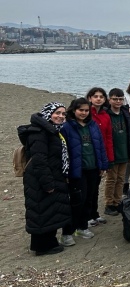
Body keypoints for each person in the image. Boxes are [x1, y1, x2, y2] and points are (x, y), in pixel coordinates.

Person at [22, 102, 72, 255]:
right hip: (40, 178)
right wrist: (48, 183)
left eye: (63, 114)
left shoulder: (51, 130)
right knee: (40, 210)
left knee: (48, 210)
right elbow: (39, 160)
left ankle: (47, 243)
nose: (61, 116)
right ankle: (42, 246)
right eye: (57, 113)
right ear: (47, 113)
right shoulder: (39, 132)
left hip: (51, 175)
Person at [62, 98, 109, 239]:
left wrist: (103, 165)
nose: (83, 113)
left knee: (89, 198)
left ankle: (82, 226)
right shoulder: (67, 127)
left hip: (93, 168)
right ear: (73, 110)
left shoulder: (93, 125)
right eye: (80, 110)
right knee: (77, 201)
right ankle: (67, 232)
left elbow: (100, 146)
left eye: (86, 110)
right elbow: (64, 151)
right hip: (77, 170)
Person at [105, 88, 130, 216]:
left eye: (120, 99)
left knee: (121, 179)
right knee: (111, 179)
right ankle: (109, 203)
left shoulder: (125, 114)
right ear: (109, 100)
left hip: (124, 152)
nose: (118, 101)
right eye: (115, 99)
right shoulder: (106, 114)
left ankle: (117, 202)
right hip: (112, 153)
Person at [86, 87, 113, 223]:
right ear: (90, 98)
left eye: (101, 96)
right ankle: (87, 216)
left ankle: (94, 213)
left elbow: (108, 137)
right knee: (87, 188)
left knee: (96, 185)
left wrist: (108, 157)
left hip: (101, 154)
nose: (98, 99)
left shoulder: (105, 115)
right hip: (88, 154)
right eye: (95, 96)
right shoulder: (86, 113)